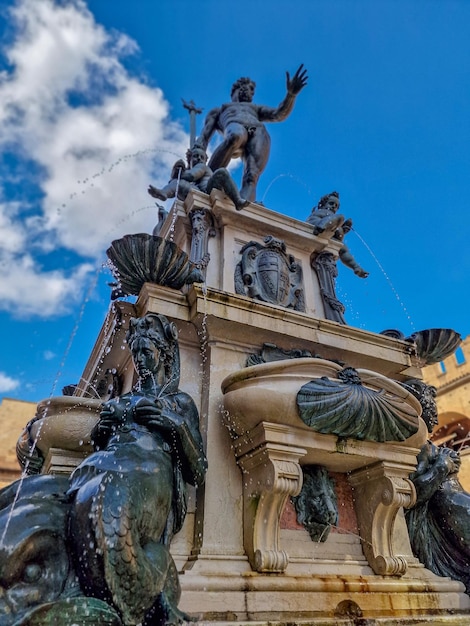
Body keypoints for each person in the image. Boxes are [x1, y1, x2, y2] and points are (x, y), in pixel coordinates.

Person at [68, 313, 207, 626]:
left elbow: (198, 470)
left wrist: (173, 425)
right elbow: (101, 447)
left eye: (148, 353)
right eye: (136, 353)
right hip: (104, 468)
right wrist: (100, 433)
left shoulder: (179, 402)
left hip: (146, 478)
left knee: (112, 488)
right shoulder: (124, 400)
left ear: (163, 353)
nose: (141, 361)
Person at [195, 65, 308, 202]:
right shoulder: (220, 110)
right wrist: (197, 152)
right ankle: (207, 180)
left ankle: (243, 207)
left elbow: (278, 114)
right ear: (240, 87)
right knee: (234, 137)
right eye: (250, 89)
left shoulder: (255, 108)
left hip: (258, 130)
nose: (251, 93)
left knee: (252, 176)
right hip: (235, 126)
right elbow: (204, 137)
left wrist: (291, 95)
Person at [148, 145, 249, 211]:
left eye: (202, 157)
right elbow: (179, 180)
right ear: (190, 160)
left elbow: (192, 176)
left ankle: (237, 201)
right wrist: (177, 172)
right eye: (196, 156)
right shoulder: (189, 169)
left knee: (221, 172)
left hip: (209, 189)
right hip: (198, 192)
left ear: (205, 160)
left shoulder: (202, 166)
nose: (199, 159)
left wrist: (177, 172)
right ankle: (164, 193)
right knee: (178, 182)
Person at [307, 191, 369, 278]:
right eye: (331, 203)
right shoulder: (323, 212)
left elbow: (336, 229)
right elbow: (334, 221)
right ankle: (321, 227)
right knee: (341, 217)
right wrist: (340, 229)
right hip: (317, 226)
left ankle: (356, 267)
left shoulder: (331, 216)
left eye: (336, 206)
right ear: (323, 204)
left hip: (327, 232)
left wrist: (342, 230)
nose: (333, 207)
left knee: (343, 248)